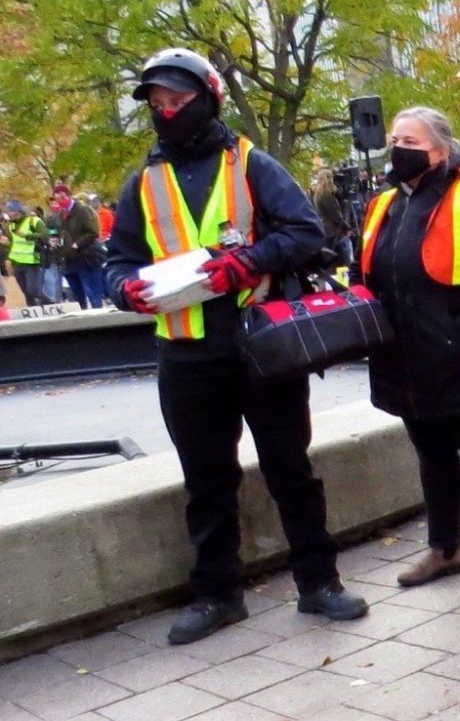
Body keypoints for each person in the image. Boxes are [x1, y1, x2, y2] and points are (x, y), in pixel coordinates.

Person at [105, 48, 368, 645]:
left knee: (290, 468)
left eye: (178, 101)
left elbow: (305, 231)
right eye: (158, 104)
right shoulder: (142, 183)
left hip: (259, 347)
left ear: (209, 98)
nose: (167, 112)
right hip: (185, 354)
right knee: (205, 479)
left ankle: (319, 583)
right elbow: (117, 261)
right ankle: (218, 594)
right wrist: (126, 289)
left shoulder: (251, 163)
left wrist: (246, 263)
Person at [361, 107, 460, 592]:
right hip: (404, 358)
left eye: (409, 139)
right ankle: (445, 548)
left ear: (439, 150)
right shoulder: (384, 205)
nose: (397, 148)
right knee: (431, 455)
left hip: (459, 354)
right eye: (394, 138)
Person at [54, 184, 106, 309]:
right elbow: (63, 233)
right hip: (69, 259)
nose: (60, 201)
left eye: (62, 198)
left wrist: (77, 244)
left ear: (69, 196)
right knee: (76, 298)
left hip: (87, 258)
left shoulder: (83, 210)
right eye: (57, 199)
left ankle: (99, 321)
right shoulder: (61, 214)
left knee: (93, 294)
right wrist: (57, 241)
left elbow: (92, 232)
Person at [310, 167, 354, 268]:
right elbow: (335, 215)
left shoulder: (318, 194)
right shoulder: (326, 195)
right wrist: (347, 227)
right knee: (343, 260)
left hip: (327, 231)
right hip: (334, 231)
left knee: (334, 263)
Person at [5, 200, 45, 307]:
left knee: (33, 290)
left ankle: (47, 303)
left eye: (10, 211)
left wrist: (27, 236)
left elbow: (44, 236)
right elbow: (14, 243)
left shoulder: (34, 221)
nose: (8, 214)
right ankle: (33, 311)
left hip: (32, 261)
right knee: (26, 292)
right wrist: (8, 258)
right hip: (17, 262)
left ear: (17, 212)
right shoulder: (11, 226)